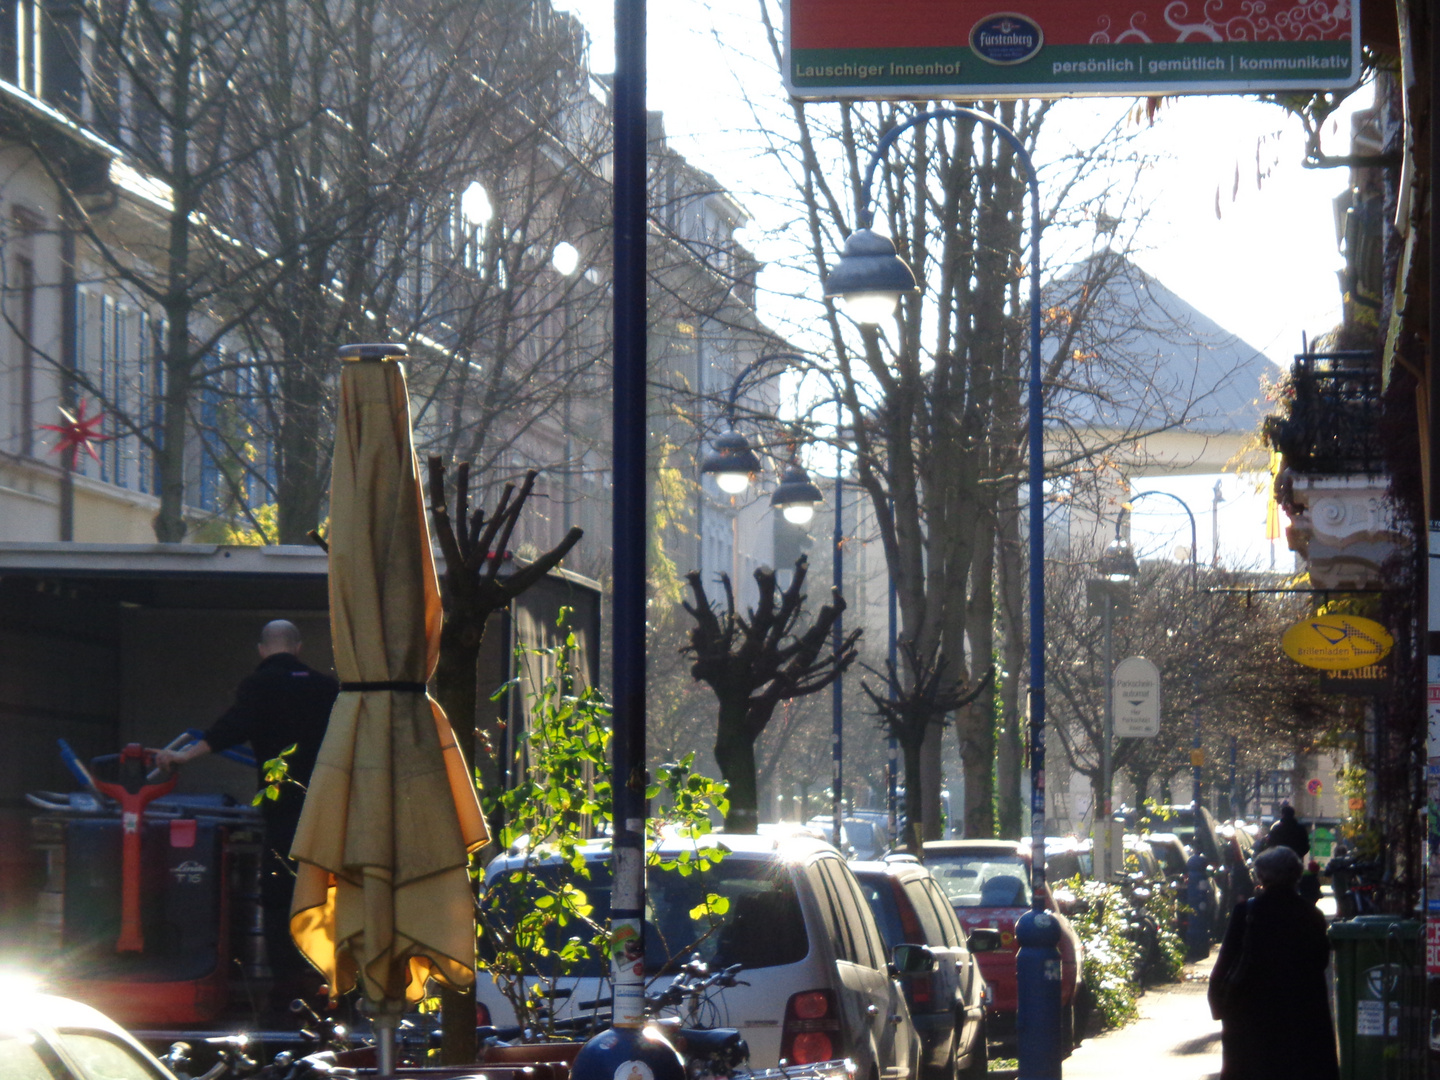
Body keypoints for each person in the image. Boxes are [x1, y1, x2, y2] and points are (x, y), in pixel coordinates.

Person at [156, 619, 338, 1014]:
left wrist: (182, 756)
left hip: (283, 807)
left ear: (261, 649)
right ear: (299, 647)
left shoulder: (258, 687)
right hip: (329, 808)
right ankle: (330, 978)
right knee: (327, 889)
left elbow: (229, 729)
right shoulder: (327, 689)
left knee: (278, 892)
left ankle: (285, 983)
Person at [1208, 846, 1338, 1080]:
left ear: (1262, 876)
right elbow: (1321, 961)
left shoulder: (1247, 912)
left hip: (1250, 1014)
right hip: (1302, 1017)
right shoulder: (1311, 916)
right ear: (1296, 876)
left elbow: (1226, 961)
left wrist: (1218, 1004)